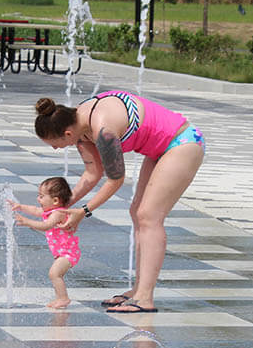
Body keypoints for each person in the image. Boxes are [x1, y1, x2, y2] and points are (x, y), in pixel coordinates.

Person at [33, 93, 205, 314]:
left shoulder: (103, 130)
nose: (58, 149)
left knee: (149, 216)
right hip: (158, 149)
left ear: (67, 133)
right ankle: (139, 290)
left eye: (57, 145)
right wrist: (62, 208)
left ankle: (145, 298)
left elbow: (115, 180)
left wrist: (83, 211)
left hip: (184, 142)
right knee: (137, 212)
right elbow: (93, 173)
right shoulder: (78, 124)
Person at [9, 176, 80, 310]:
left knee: (54, 274)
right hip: (62, 253)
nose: (38, 199)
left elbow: (46, 226)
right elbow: (35, 210)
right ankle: (60, 297)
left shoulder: (58, 213)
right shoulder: (50, 211)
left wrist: (27, 222)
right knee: (55, 274)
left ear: (55, 200)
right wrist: (20, 207)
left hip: (68, 253)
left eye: (41, 196)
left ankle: (63, 298)